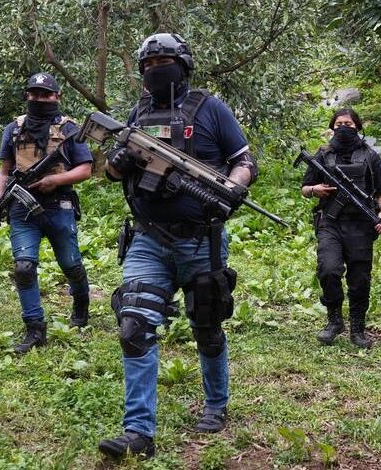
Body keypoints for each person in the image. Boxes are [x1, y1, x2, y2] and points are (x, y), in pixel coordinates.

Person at [98, 33, 258, 460]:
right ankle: (138, 433)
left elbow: (245, 161)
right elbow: (111, 173)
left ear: (184, 65)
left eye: (165, 61)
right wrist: (119, 163)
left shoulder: (211, 109)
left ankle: (217, 404)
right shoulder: (137, 113)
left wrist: (232, 188)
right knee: (133, 327)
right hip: (148, 239)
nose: (157, 69)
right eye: (149, 64)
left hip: (201, 239)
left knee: (207, 323)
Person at [0, 72, 93, 355]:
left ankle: (81, 301)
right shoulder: (13, 129)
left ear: (57, 97)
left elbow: (85, 169)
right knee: (24, 268)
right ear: (27, 96)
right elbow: (4, 172)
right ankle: (35, 328)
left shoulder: (70, 129)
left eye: (46, 94)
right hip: (22, 209)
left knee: (71, 265)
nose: (40, 99)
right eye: (35, 94)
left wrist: (54, 181)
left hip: (58, 206)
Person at [301, 109, 381, 349]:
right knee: (328, 270)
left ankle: (358, 329)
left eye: (348, 123)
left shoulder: (370, 156)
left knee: (359, 280)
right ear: (332, 127)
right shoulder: (322, 154)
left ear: (357, 127)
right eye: (339, 123)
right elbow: (305, 187)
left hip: (361, 225)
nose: (343, 127)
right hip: (330, 223)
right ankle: (334, 321)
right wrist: (314, 190)